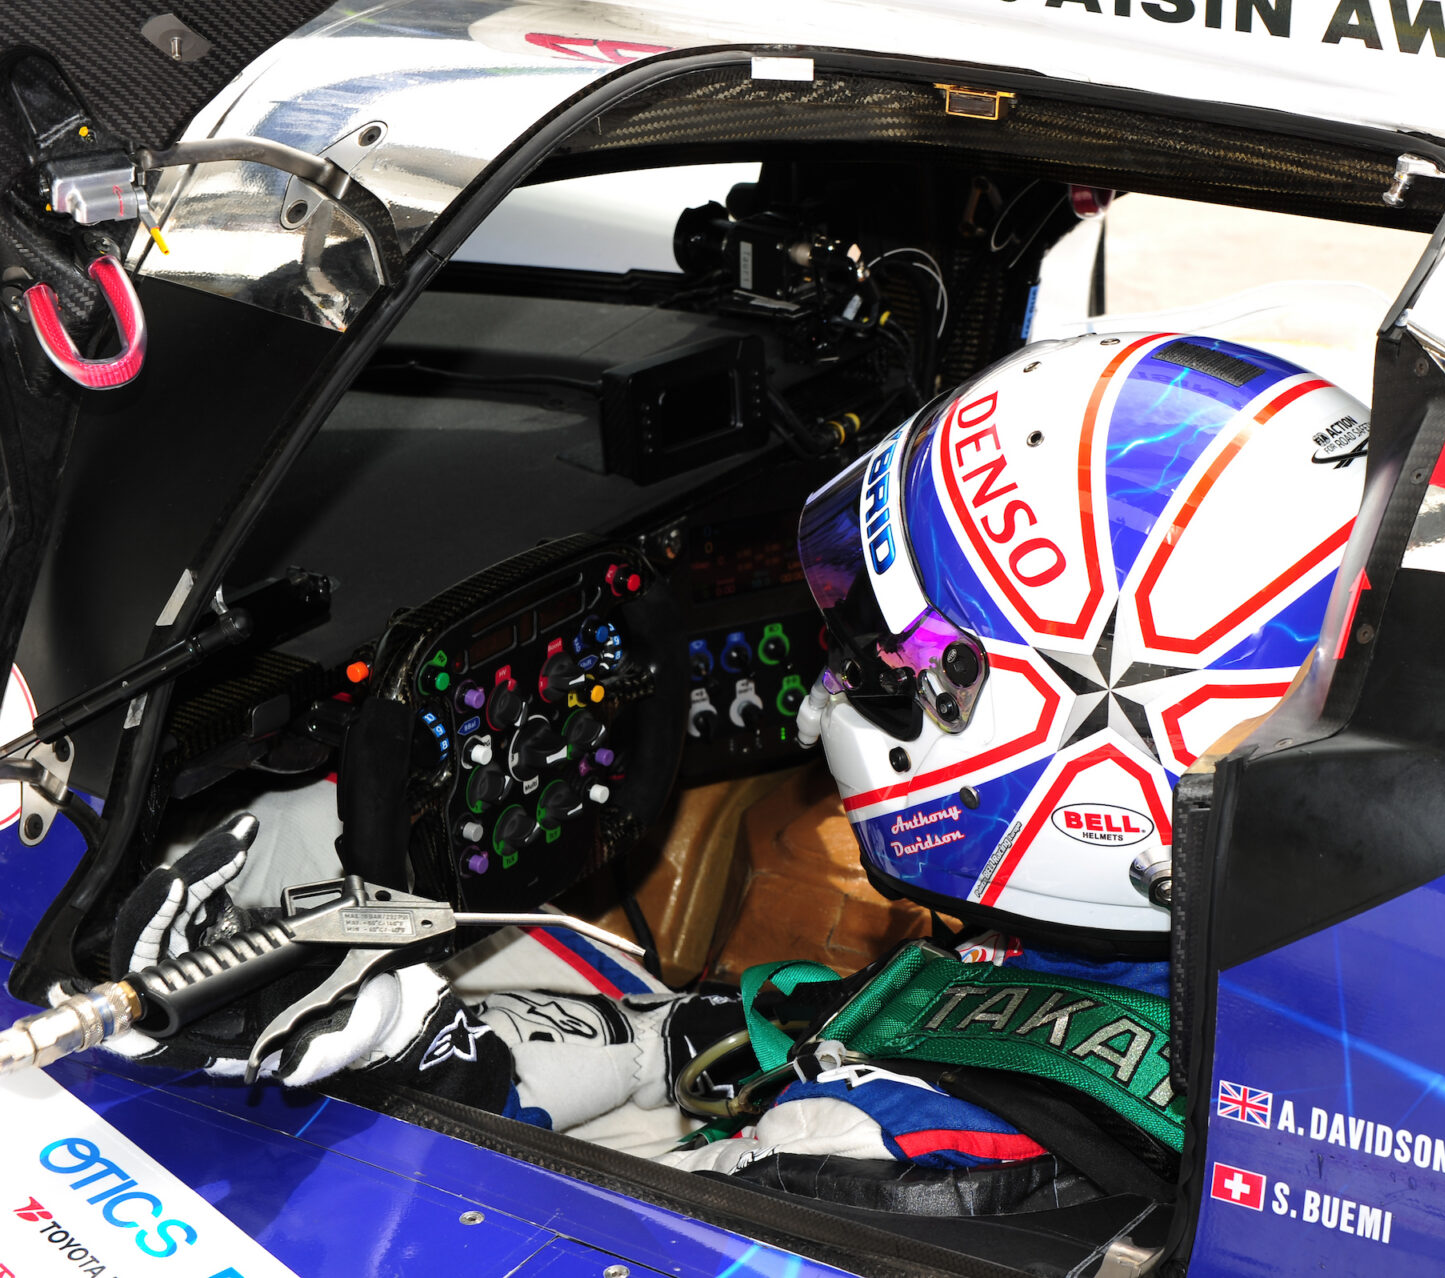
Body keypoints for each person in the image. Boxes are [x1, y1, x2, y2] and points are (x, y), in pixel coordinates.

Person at [88, 332, 1372, 1207]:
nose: (825, 702)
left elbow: (589, 1227)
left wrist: (410, 1066)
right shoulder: (1249, 981)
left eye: (878, 662)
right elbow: (867, 1030)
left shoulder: (880, 1155)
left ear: (1086, 744)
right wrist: (646, 1033)